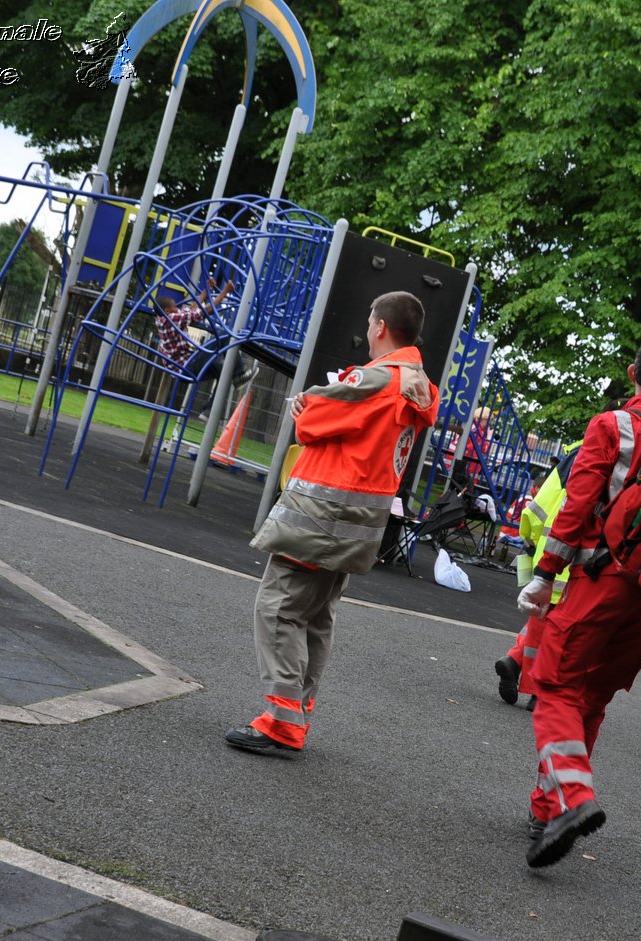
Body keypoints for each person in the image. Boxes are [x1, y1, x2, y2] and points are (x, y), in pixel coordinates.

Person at [515, 336, 641, 868]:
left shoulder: (612, 426)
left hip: (601, 581)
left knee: (556, 687)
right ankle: (547, 809)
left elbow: (578, 503)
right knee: (592, 700)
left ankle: (576, 800)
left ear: (633, 372)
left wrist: (544, 573)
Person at [224, 291, 440, 755]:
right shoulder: (418, 383)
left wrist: (306, 406)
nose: (366, 330)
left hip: (321, 516)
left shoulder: (375, 378)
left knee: (279, 607)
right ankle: (295, 715)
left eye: (368, 320)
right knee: (317, 617)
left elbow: (313, 417)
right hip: (359, 520)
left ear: (381, 327)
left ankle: (281, 721)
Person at [495, 443, 582, 711]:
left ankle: (515, 659)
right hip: (580, 565)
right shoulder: (623, 459)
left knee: (541, 619)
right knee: (564, 631)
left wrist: (534, 545)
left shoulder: (571, 459)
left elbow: (534, 511)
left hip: (546, 558)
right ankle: (538, 692)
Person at [155, 278, 235, 414]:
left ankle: (209, 410)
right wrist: (224, 293)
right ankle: (240, 373)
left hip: (184, 367)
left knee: (224, 372)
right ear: (168, 311)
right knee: (222, 334)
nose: (178, 309)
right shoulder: (170, 320)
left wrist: (207, 290)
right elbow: (204, 312)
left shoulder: (165, 318)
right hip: (186, 366)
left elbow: (190, 310)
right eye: (175, 307)